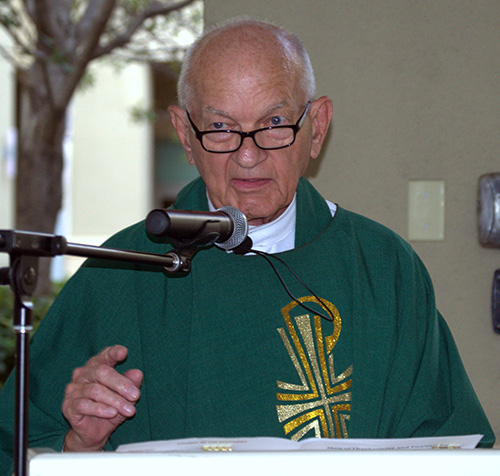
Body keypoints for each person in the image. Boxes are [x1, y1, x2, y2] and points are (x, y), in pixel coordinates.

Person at [0, 17, 495, 473]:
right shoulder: (124, 270)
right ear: (184, 135)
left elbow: (450, 451)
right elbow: (13, 447)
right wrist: (77, 446)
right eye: (219, 128)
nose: (249, 154)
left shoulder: (385, 269)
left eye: (275, 123)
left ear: (316, 127)